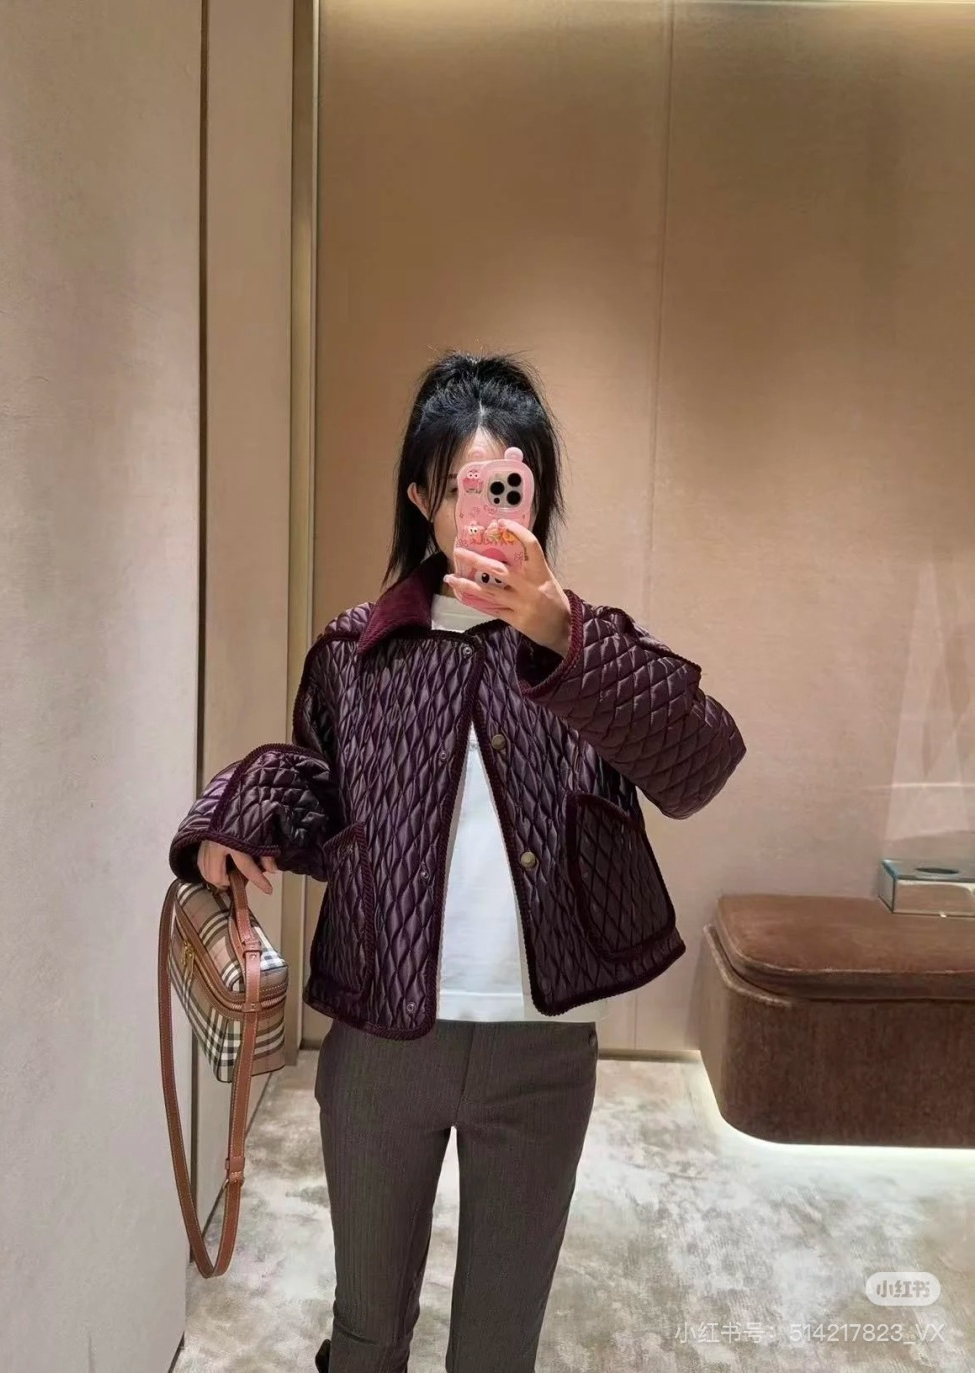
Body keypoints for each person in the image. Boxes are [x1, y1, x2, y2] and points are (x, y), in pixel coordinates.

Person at [168, 351, 747, 1373]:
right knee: (366, 1332)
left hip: (540, 1055)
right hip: (383, 1043)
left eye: (506, 484)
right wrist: (238, 815)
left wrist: (562, 634)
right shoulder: (356, 652)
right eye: (460, 487)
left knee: (497, 1347)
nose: (483, 511)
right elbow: (323, 792)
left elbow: (699, 762)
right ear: (421, 498)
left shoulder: (587, 654)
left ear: (536, 491)